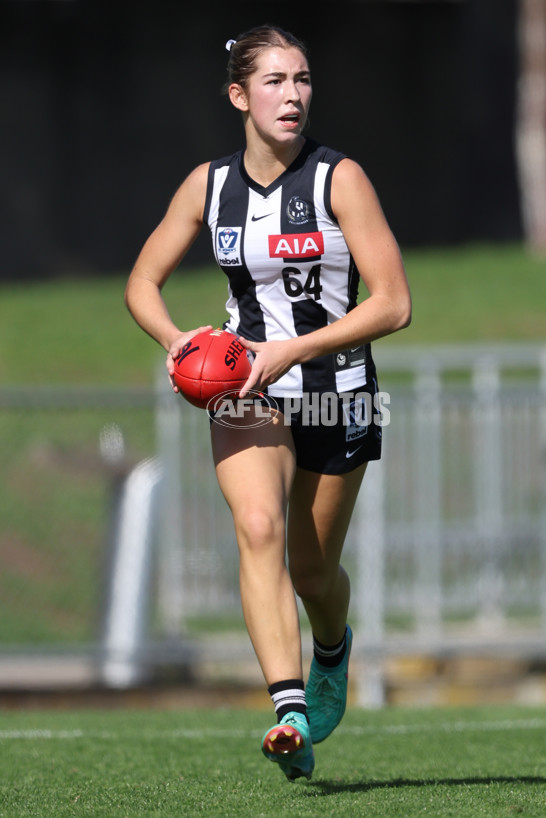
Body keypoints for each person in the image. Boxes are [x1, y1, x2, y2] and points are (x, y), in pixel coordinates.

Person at [125, 24, 411, 782]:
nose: (294, 95)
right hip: (247, 392)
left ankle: (329, 650)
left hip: (339, 394)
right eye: (277, 81)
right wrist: (176, 341)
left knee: (313, 572)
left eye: (304, 79)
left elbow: (393, 304)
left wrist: (293, 349)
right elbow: (141, 284)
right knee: (257, 527)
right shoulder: (207, 186)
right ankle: (289, 712)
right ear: (238, 95)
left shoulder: (338, 179)